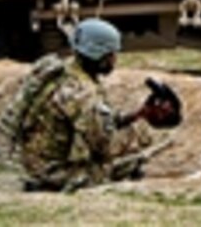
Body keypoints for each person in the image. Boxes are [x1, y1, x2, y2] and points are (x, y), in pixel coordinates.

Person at [10, 18, 182, 192]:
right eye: (112, 54)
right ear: (99, 56)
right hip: (55, 174)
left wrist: (138, 114)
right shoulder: (83, 93)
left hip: (37, 166)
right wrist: (144, 128)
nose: (115, 60)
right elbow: (104, 148)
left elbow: (100, 121)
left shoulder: (66, 73)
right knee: (137, 146)